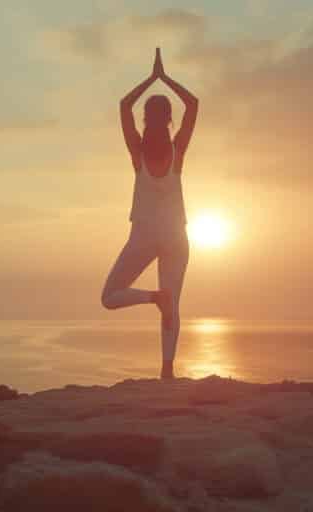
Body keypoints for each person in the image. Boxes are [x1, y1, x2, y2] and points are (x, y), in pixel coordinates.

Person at [100, 48, 199, 380]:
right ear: (169, 119)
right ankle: (167, 370)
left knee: (110, 297)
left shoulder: (137, 153)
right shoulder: (178, 151)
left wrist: (151, 78)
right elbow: (194, 104)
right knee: (173, 305)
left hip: (143, 237)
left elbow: (123, 106)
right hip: (175, 237)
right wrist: (166, 79)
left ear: (145, 120)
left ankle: (153, 298)